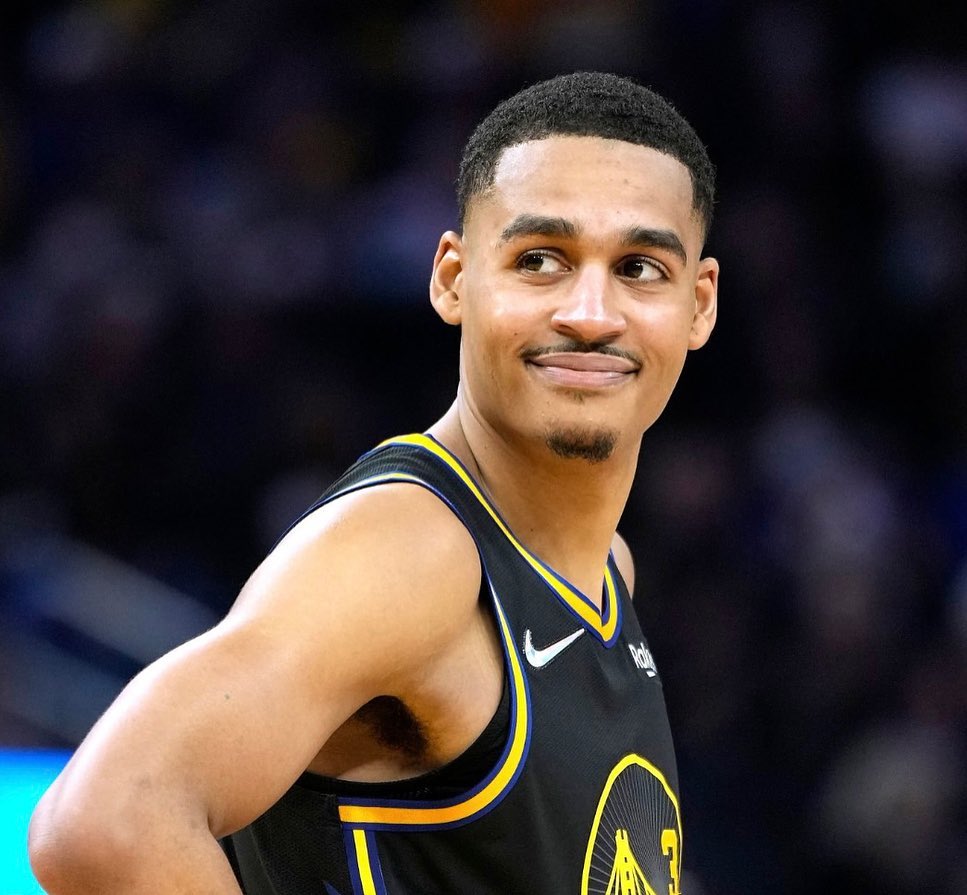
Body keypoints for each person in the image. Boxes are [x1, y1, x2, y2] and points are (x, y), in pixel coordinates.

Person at [28, 70, 719, 894]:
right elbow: (104, 821)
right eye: (540, 259)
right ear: (453, 278)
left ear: (699, 304)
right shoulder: (413, 553)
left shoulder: (605, 568)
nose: (591, 313)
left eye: (639, 267)